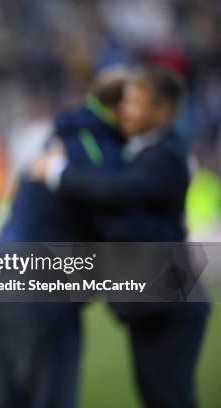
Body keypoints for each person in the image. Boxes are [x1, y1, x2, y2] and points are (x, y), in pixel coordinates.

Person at [32, 66, 209, 408]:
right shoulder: (144, 150)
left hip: (171, 300)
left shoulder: (169, 154)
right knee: (157, 393)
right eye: (126, 101)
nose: (125, 109)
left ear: (162, 111)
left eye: (136, 102)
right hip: (156, 299)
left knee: (170, 396)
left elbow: (116, 191)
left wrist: (57, 171)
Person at [0, 67, 130, 408]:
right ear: (122, 107)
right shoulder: (98, 151)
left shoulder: (60, 139)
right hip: (41, 289)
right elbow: (114, 225)